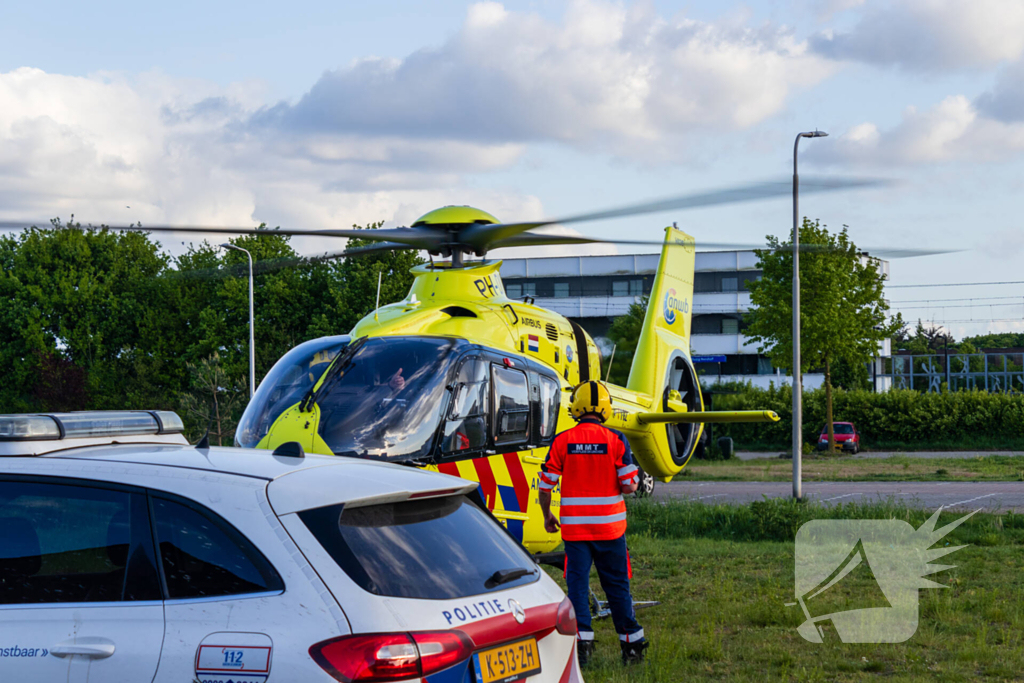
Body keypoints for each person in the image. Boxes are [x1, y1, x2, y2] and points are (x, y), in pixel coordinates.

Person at [538, 380, 648, 666]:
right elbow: (629, 486)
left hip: (575, 531)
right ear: (605, 408)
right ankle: (631, 647)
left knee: (577, 585)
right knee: (617, 586)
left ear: (575, 408)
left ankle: (581, 645)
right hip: (610, 530)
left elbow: (545, 484)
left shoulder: (562, 440)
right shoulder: (616, 440)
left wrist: (547, 515)